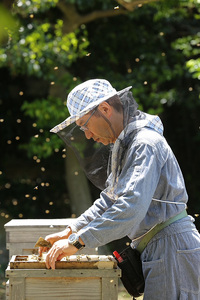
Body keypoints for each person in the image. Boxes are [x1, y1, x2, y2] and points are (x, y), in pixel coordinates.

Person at [39, 79, 200, 299]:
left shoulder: (145, 143)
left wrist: (78, 241)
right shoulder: (127, 146)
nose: (86, 134)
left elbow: (131, 206)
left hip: (171, 245)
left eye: (85, 125)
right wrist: (71, 229)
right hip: (158, 246)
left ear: (104, 109)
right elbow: (110, 199)